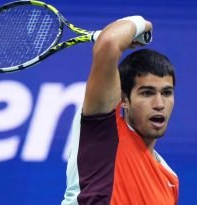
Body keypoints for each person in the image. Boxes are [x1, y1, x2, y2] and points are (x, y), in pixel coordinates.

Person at [61, 16, 179, 205]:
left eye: (166, 93)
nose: (159, 103)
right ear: (124, 99)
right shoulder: (104, 132)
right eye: (147, 93)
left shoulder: (170, 180)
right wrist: (141, 23)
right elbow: (109, 42)